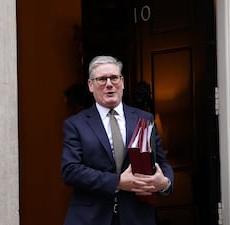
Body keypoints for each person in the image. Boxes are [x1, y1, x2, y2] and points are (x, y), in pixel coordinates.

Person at [61, 55, 174, 225]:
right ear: (90, 85)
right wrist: (118, 182)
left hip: (137, 216)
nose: (109, 84)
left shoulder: (144, 119)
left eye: (114, 78)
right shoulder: (76, 124)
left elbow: (161, 163)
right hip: (91, 217)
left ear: (122, 82)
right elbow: (71, 170)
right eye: (101, 79)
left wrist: (165, 182)